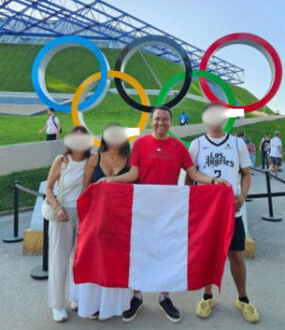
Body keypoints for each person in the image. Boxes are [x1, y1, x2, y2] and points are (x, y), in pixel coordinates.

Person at [99, 106, 230, 323]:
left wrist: (214, 181)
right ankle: (137, 296)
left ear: (171, 122)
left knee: (167, 251)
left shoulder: (178, 146)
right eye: (157, 119)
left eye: (165, 119)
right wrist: (112, 180)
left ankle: (165, 297)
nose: (161, 122)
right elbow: (134, 173)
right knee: (141, 251)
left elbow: (193, 172)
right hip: (144, 209)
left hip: (170, 210)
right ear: (152, 121)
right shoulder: (140, 143)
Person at [187, 102, 259, 323]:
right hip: (206, 213)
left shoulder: (237, 144)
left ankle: (243, 298)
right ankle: (207, 296)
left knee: (236, 255)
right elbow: (190, 177)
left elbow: (246, 174)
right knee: (208, 255)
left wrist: (243, 197)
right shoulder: (197, 144)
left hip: (231, 210)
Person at [69, 123, 133, 321]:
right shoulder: (95, 159)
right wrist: (84, 219)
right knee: (93, 261)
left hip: (121, 222)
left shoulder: (131, 161)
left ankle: (112, 304)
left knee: (115, 262)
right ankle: (91, 303)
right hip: (95, 221)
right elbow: (85, 190)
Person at [45, 126, 92, 322]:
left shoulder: (91, 161)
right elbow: (48, 188)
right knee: (59, 260)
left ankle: (76, 297)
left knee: (79, 259)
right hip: (62, 214)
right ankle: (57, 305)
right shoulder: (61, 160)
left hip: (83, 214)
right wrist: (57, 208)